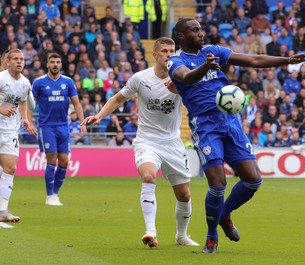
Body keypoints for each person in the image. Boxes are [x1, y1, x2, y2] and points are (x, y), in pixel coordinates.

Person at [167, 18, 305, 254]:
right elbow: (186, 77)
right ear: (181, 36)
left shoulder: (213, 51)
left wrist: (287, 61)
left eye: (201, 29)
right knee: (217, 183)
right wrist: (205, 67)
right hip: (205, 125)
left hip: (230, 122)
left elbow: (254, 60)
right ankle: (211, 237)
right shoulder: (175, 60)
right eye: (195, 30)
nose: (201, 33)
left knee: (253, 180)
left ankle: (224, 214)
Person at [81, 37, 199, 248]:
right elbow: (118, 99)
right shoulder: (140, 78)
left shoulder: (182, 78)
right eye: (164, 51)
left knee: (184, 194)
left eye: (172, 50)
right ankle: (150, 231)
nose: (169, 54)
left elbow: (197, 103)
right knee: (148, 175)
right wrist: (100, 115)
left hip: (172, 142)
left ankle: (181, 236)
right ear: (155, 55)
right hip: (147, 140)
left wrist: (180, 90)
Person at [32, 53, 87, 206]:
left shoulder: (68, 82)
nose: (55, 64)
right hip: (46, 126)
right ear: (47, 65)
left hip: (63, 126)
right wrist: (28, 120)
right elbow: (29, 103)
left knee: (64, 161)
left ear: (61, 65)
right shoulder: (39, 83)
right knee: (51, 158)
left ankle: (55, 194)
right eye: (52, 62)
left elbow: (76, 103)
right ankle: (49, 196)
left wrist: (82, 122)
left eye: (57, 62)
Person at [0, 49, 36, 222]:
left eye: (21, 59)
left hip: (10, 131)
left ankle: (2, 211)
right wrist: (1, 109)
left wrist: (25, 119)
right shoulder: (1, 78)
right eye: (15, 59)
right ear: (8, 62)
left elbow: (23, 100)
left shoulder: (25, 82)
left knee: (10, 169)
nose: (19, 62)